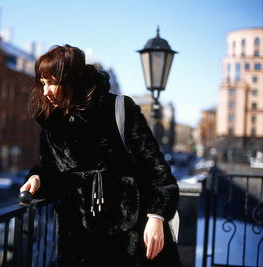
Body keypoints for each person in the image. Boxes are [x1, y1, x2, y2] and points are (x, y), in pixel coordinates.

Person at [20, 44, 182, 267]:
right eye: (43, 83)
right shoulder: (52, 123)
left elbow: (156, 169)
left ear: (71, 80)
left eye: (53, 83)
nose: (46, 92)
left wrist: (156, 217)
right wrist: (38, 177)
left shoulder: (118, 109)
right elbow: (55, 174)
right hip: (78, 242)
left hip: (130, 239)